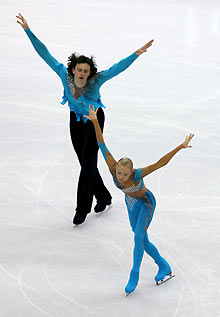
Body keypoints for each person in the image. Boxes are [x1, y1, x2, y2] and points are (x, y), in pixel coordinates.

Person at [16, 13, 154, 225]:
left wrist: (135, 54)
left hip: (95, 121)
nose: (82, 73)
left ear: (90, 74)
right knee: (85, 163)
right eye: (79, 70)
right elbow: (45, 54)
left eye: (85, 71)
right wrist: (28, 31)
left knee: (88, 162)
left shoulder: (95, 81)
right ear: (73, 70)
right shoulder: (64, 73)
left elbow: (117, 68)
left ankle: (82, 208)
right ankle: (104, 196)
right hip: (75, 120)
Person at [85, 105, 194, 294]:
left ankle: (134, 274)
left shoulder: (138, 175)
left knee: (138, 237)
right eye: (119, 173)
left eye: (124, 174)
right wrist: (95, 121)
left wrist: (180, 146)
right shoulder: (113, 167)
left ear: (131, 173)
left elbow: (160, 163)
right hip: (131, 203)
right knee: (142, 240)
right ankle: (164, 266)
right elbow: (101, 143)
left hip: (146, 202)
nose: (120, 177)